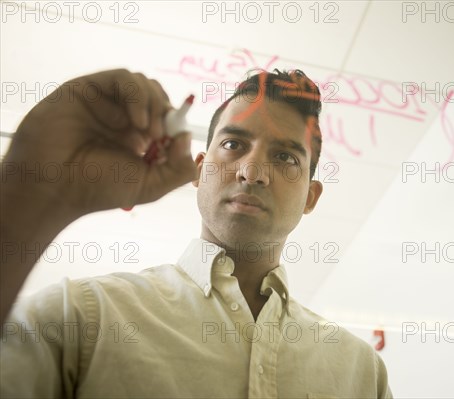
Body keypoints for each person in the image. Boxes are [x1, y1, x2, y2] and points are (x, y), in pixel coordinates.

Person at [0, 68, 392, 398]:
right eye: (234, 144)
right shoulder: (81, 317)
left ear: (311, 196)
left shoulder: (363, 375)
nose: (251, 171)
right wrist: (32, 193)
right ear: (200, 169)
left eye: (285, 156)